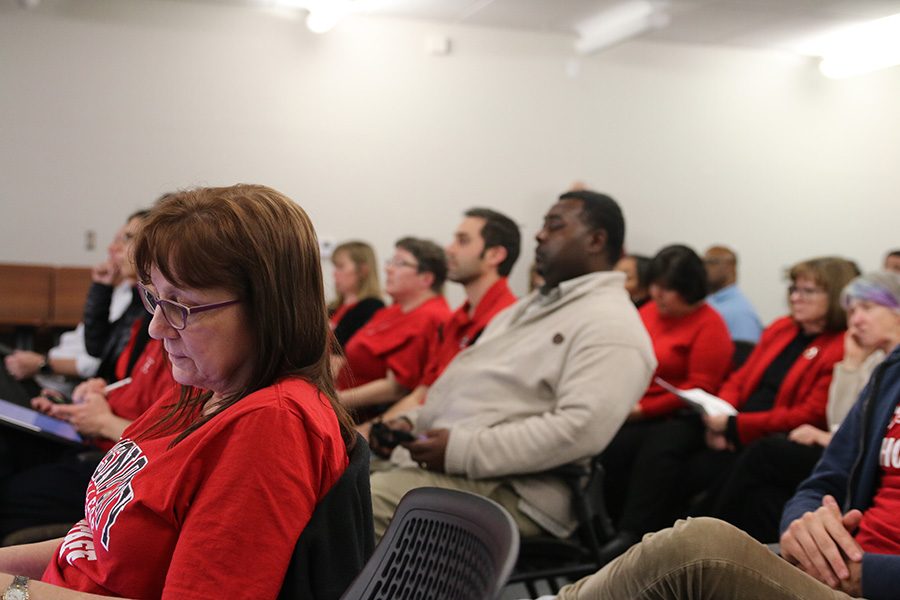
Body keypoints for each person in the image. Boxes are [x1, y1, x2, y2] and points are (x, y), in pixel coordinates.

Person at [0, 184, 354, 599]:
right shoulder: (200, 390)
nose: (157, 327)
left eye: (181, 307)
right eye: (155, 299)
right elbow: (91, 548)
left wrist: (14, 592)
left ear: (266, 307)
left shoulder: (271, 425)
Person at [369, 190, 656, 540]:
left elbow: (578, 431)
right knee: (330, 477)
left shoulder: (612, 325)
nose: (539, 235)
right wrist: (409, 423)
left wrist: (461, 450)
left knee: (353, 506)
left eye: (555, 226)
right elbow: (472, 394)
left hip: (518, 492)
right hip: (464, 470)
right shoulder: (531, 308)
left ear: (596, 240)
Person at [530, 344, 900, 600]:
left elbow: (805, 413)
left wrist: (869, 574)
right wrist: (802, 525)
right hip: (835, 567)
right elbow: (826, 477)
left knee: (698, 549)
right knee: (664, 448)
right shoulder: (894, 371)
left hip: (864, 580)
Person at [596, 256, 859, 562]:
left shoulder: (838, 345)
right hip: (732, 422)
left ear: (836, 297)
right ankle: (631, 537)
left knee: (690, 472)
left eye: (808, 291)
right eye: (794, 289)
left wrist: (735, 426)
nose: (796, 297)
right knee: (663, 442)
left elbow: (807, 414)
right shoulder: (782, 328)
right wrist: (721, 414)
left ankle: (677, 552)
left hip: (762, 435)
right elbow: (741, 377)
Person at [710, 270, 900, 542]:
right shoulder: (869, 359)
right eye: (852, 310)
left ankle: (712, 538)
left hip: (859, 471)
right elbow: (842, 424)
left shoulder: (886, 368)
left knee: (765, 452)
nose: (856, 320)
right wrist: (851, 366)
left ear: (896, 310)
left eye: (867, 308)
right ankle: (723, 549)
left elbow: (855, 440)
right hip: (838, 457)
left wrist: (822, 435)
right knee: (763, 499)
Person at [600, 245, 732, 545]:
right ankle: (602, 527)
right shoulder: (649, 311)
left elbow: (700, 388)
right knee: (611, 446)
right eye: (656, 285)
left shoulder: (710, 325)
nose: (658, 294)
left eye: (667, 288)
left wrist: (643, 410)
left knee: (655, 450)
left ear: (688, 289)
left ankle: (632, 533)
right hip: (636, 404)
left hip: (680, 414)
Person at [361, 207, 520, 434]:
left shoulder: (507, 321)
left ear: (494, 255)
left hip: (455, 442)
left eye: (462, 241)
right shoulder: (457, 319)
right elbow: (425, 393)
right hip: (425, 432)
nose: (449, 249)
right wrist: (370, 431)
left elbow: (475, 410)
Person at [0, 221, 138, 405]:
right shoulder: (119, 291)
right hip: (56, 384)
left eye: (127, 239)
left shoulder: (135, 302)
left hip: (63, 388)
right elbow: (96, 345)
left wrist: (42, 364)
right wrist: (101, 287)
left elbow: (95, 358)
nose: (112, 248)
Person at [336, 238, 450, 417]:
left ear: (426, 278)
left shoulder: (432, 317)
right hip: (344, 400)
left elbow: (396, 388)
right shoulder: (394, 310)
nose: (388, 269)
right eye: (391, 262)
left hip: (364, 413)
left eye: (400, 263)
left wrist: (331, 400)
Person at [328, 240, 384, 349]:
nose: (334, 273)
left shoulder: (372, 307)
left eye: (340, 266)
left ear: (363, 270)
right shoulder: (333, 306)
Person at [704, 245, 763, 343]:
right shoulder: (707, 302)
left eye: (712, 262)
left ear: (730, 267)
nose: (704, 268)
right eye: (702, 262)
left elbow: (745, 356)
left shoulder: (740, 312)